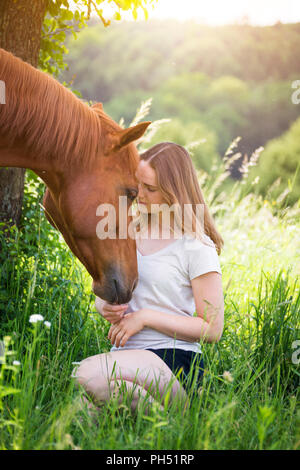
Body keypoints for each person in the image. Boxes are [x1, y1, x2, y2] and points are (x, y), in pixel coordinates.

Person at [74, 142, 224, 413]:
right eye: (138, 184)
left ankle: (173, 421)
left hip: (174, 362)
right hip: (126, 358)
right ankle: (156, 422)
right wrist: (106, 307)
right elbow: (102, 297)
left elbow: (212, 329)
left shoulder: (196, 246)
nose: (138, 194)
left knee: (85, 374)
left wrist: (145, 318)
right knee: (81, 408)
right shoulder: (123, 232)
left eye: (150, 189)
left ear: (174, 192)